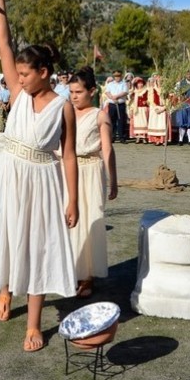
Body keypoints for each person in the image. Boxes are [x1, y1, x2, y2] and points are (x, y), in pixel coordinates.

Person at [0, 0, 78, 353]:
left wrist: (73, 200)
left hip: (43, 181)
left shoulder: (64, 106)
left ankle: (34, 324)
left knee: (38, 247)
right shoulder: (17, 92)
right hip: (9, 173)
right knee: (6, 237)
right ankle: (5, 290)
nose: (19, 80)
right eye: (17, 74)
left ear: (44, 72)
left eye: (25, 74)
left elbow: (68, 155)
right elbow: (4, 42)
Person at [67, 67, 118, 298]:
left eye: (78, 91)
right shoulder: (65, 111)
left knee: (89, 220)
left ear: (92, 91)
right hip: (66, 171)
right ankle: (69, 270)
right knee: (68, 221)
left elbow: (107, 149)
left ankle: (87, 276)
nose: (74, 96)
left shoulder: (100, 115)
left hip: (91, 171)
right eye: (71, 91)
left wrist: (113, 180)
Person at [105, 70, 129, 143]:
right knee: (112, 121)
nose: (117, 77)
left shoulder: (124, 84)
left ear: (121, 76)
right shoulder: (110, 84)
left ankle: (122, 137)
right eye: (116, 76)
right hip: (112, 104)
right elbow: (107, 92)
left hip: (120, 104)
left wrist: (117, 96)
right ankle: (112, 137)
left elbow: (125, 92)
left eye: (118, 76)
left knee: (121, 120)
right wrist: (112, 98)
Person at [146, 75, 169, 145]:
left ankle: (163, 140)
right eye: (158, 81)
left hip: (163, 108)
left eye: (161, 81)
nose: (160, 82)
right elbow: (150, 99)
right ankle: (156, 140)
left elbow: (167, 99)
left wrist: (164, 108)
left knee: (162, 125)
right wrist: (155, 107)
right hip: (155, 108)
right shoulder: (152, 89)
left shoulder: (165, 89)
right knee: (155, 124)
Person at [175, 71, 190, 145]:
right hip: (183, 104)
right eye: (188, 74)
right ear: (185, 75)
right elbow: (177, 92)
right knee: (182, 122)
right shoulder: (181, 83)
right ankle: (181, 140)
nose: (189, 75)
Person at [128, 77, 149, 143]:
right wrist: (131, 109)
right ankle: (138, 137)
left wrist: (146, 102)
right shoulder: (134, 93)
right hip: (136, 109)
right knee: (137, 123)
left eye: (141, 83)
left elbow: (150, 99)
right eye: (139, 84)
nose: (140, 85)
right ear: (136, 85)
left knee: (144, 123)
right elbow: (131, 102)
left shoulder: (146, 91)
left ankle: (144, 137)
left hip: (143, 108)